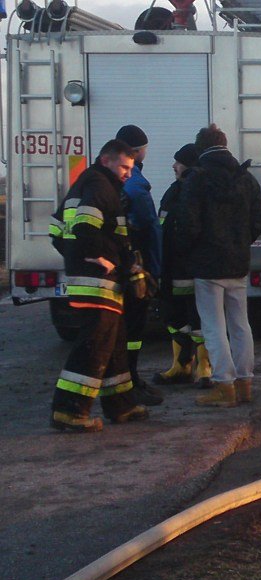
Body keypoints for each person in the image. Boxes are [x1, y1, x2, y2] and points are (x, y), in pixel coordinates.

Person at [49, 139, 150, 432]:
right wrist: (101, 259)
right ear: (105, 160)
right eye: (123, 166)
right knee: (95, 346)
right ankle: (69, 411)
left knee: (114, 343)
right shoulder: (99, 185)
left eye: (130, 168)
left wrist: (76, 260)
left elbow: (57, 230)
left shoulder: (87, 183)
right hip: (98, 283)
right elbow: (83, 227)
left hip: (95, 281)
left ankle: (123, 406)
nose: (128, 174)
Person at [176, 124, 261, 407]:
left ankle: (223, 385)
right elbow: (257, 221)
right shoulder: (246, 178)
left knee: (213, 326)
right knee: (241, 324)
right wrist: (240, 243)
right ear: (225, 145)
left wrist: (188, 252)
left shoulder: (197, 179)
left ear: (201, 148)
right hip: (238, 264)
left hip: (207, 265)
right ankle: (245, 383)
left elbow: (188, 224)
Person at [152, 143, 212, 388]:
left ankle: (204, 368)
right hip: (173, 269)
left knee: (199, 320)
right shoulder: (173, 191)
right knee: (175, 318)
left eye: (178, 162)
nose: (174, 166)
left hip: (194, 269)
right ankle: (181, 365)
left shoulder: (197, 191)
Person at [115, 124, 164, 406]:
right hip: (136, 268)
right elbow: (151, 228)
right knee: (133, 328)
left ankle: (128, 379)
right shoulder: (136, 184)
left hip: (117, 269)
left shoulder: (107, 182)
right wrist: (156, 269)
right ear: (136, 152)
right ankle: (131, 379)